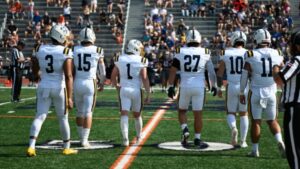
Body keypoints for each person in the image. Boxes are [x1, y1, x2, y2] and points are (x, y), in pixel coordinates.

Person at [26, 25, 77, 157]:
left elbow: (35, 68)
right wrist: (70, 98)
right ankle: (66, 147)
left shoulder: (39, 48)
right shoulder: (65, 51)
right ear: (61, 37)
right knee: (63, 118)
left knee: (40, 116)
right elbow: (69, 76)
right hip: (59, 87)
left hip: (44, 86)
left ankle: (31, 146)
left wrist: (36, 75)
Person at [167, 29, 217, 147]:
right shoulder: (205, 51)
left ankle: (185, 129)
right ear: (199, 40)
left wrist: (170, 86)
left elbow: (173, 70)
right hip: (199, 87)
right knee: (198, 114)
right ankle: (197, 138)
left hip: (184, 86)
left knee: (182, 111)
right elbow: (211, 72)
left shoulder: (180, 51)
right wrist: (214, 85)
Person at [239, 29, 285, 157]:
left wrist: (241, 92)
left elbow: (244, 75)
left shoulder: (250, 54)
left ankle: (255, 150)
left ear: (257, 39)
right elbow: (282, 72)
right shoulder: (278, 52)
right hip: (271, 91)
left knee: (256, 121)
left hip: (256, 91)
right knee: (273, 121)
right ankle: (280, 141)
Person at [111, 39, 151, 146]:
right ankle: (138, 137)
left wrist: (116, 86)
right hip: (136, 90)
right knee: (137, 115)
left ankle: (125, 139)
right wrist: (148, 93)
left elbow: (113, 75)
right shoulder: (141, 60)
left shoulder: (119, 58)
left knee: (124, 113)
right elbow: (144, 77)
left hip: (124, 89)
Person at [73, 27, 106, 147]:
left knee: (79, 111)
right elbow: (102, 71)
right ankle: (84, 140)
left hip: (77, 82)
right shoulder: (97, 50)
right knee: (88, 112)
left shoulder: (74, 49)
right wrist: (102, 82)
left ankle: (81, 136)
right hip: (90, 82)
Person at [273, 29, 300, 169]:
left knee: (294, 149)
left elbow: (279, 80)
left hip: (296, 108)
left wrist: (276, 66)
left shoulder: (296, 60)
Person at [217, 30, 249, 147]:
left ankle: (234, 128)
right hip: (244, 86)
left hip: (231, 85)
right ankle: (243, 141)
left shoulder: (225, 52)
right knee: (244, 114)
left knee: (231, 112)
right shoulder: (248, 53)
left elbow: (220, 73)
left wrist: (219, 88)